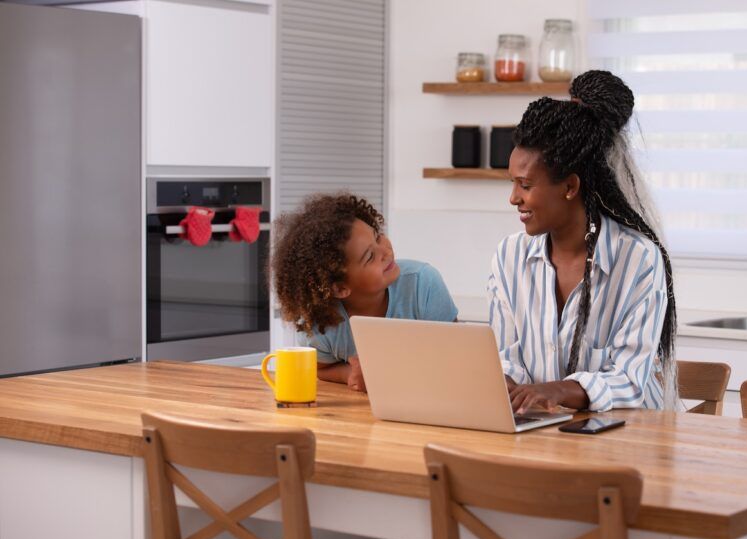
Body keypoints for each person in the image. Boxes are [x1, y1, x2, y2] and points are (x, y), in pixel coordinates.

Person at [489, 70, 678, 413]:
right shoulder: (509, 256)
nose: (513, 198)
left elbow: (630, 380)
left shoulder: (638, 260)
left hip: (634, 437)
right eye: (512, 183)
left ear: (569, 187)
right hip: (548, 433)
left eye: (525, 185)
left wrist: (557, 391)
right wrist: (503, 381)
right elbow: (506, 357)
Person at [270, 192, 458, 392]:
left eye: (377, 237)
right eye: (370, 256)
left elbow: (457, 356)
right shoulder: (323, 324)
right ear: (340, 289)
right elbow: (320, 367)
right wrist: (349, 374)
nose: (385, 252)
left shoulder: (423, 284)